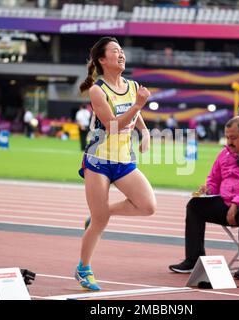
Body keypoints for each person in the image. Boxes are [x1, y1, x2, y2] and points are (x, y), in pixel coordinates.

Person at [75, 37, 156, 291]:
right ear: (102, 59)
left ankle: (100, 211)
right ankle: (83, 269)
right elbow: (111, 125)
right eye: (115, 51)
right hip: (98, 161)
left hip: (124, 161)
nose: (121, 55)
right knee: (99, 224)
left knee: (148, 206)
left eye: (122, 51)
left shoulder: (132, 86)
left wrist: (144, 132)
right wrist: (138, 105)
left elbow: (136, 116)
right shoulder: (98, 90)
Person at [169, 116, 239, 280]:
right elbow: (214, 179)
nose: (229, 142)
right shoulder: (225, 153)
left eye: (233, 138)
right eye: (227, 137)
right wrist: (208, 190)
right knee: (195, 205)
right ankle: (193, 259)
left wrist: (237, 203)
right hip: (231, 206)